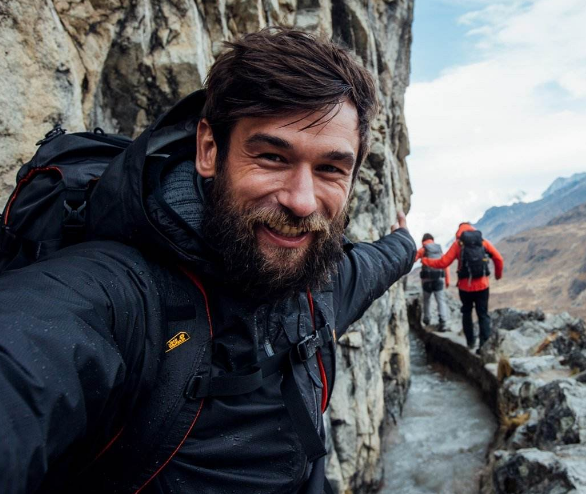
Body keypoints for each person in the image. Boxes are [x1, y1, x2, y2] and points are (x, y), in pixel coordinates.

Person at [0, 29, 415, 494]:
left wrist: (406, 242)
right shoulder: (116, 295)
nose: (302, 201)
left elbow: (378, 264)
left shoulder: (315, 280)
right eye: (273, 156)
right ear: (209, 150)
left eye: (330, 169)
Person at [420, 223, 503, 352]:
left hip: (465, 287)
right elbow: (499, 258)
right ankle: (484, 346)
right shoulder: (483, 242)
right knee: (483, 315)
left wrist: (425, 261)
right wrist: (498, 275)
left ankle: (470, 342)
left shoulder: (458, 244)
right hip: (483, 285)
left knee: (466, 313)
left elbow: (443, 262)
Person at [415, 233, 450, 330]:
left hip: (426, 280)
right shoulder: (439, 250)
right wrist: (447, 280)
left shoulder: (423, 249)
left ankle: (427, 320)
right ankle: (443, 322)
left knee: (427, 300)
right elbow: (445, 264)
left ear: (423, 241)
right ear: (432, 240)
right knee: (440, 301)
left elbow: (414, 258)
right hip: (439, 278)